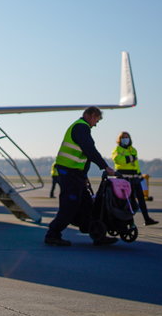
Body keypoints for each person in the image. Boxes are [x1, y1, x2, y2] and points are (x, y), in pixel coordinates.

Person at [44, 106, 115, 247]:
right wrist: (105, 166)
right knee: (69, 206)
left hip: (76, 174)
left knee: (87, 204)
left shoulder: (81, 127)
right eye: (97, 120)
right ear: (92, 115)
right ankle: (52, 234)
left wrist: (83, 175)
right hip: (68, 173)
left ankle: (97, 234)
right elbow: (89, 150)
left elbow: (84, 156)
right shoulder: (81, 128)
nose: (96, 124)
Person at [112, 131, 158, 226]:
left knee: (141, 199)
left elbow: (135, 164)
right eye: (123, 137)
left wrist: (139, 174)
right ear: (120, 139)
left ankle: (147, 218)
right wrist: (130, 158)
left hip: (135, 178)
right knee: (127, 200)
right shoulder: (117, 149)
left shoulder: (133, 150)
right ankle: (129, 221)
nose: (126, 139)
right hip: (124, 179)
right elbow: (118, 160)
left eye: (127, 137)